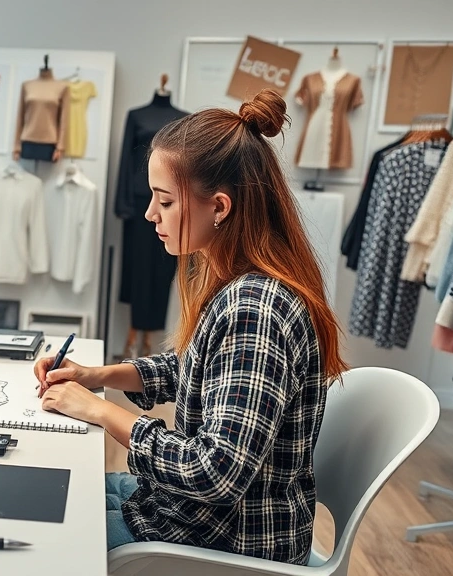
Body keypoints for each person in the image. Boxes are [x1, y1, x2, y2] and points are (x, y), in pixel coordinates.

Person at [35, 89, 347, 565]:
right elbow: (194, 370)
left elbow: (214, 473)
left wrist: (99, 412)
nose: (149, 214)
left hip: (233, 541)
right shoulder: (240, 285)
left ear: (219, 207)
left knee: (49, 534)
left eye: (164, 201)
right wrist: (95, 377)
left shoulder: (256, 310)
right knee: (61, 494)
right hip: (200, 518)